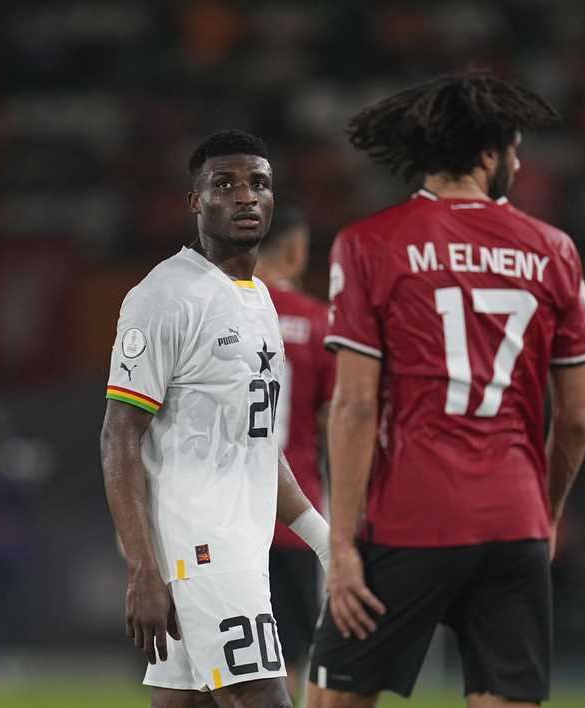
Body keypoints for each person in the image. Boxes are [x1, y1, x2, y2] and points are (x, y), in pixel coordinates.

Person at [307, 73, 585, 708]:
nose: (519, 163)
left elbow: (354, 406)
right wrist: (545, 514)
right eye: (515, 149)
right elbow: (576, 420)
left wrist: (342, 545)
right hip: (515, 523)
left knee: (333, 702)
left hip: (411, 516)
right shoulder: (555, 251)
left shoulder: (368, 244)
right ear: (489, 154)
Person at [101, 130, 331, 708]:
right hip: (201, 550)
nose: (245, 196)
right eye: (224, 184)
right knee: (266, 698)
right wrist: (141, 569)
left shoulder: (258, 299)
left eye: (258, 184)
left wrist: (323, 541)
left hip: (241, 546)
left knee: (186, 703)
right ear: (195, 201)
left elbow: (258, 444)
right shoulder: (165, 295)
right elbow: (119, 434)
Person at [253, 207, 334, 702]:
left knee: (217, 649)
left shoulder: (217, 311)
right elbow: (338, 418)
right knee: (285, 655)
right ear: (297, 251)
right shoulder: (317, 322)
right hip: (294, 515)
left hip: (221, 511)